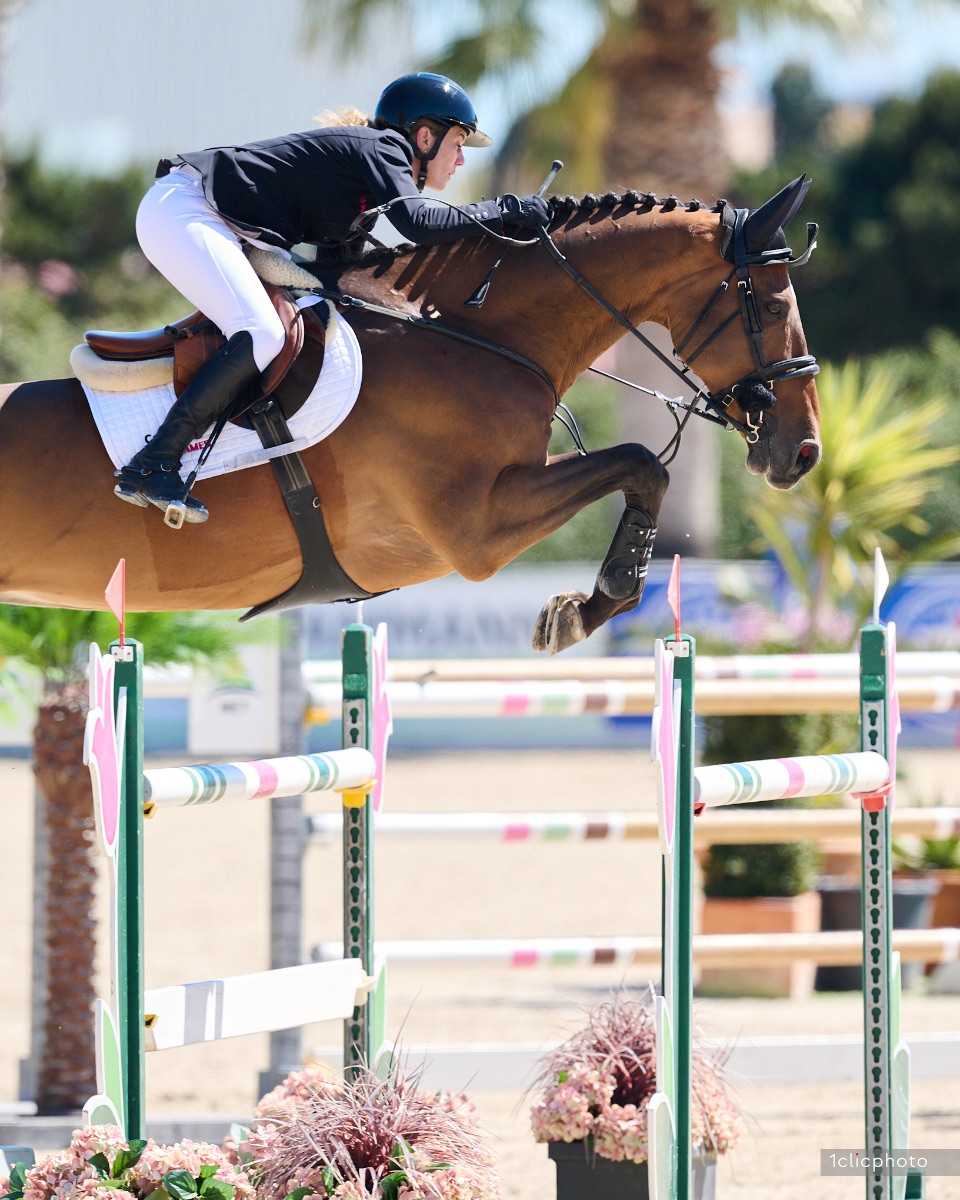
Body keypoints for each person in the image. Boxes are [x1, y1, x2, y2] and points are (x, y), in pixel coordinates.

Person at [114, 72, 551, 525]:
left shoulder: (358, 189)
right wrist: (505, 211)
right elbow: (418, 225)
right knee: (262, 332)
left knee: (285, 325)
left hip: (200, 216)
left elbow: (339, 278)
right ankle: (153, 463)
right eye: (458, 143)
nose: (461, 160)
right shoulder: (383, 148)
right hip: (184, 209)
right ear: (424, 137)